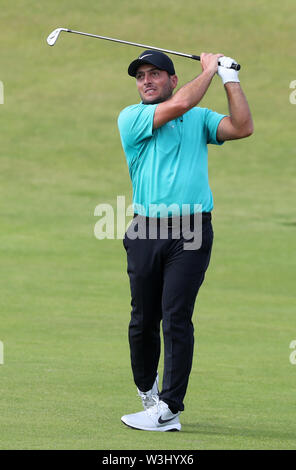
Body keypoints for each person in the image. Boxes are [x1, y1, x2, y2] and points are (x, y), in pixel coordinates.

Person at [117, 50, 253, 432]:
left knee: (176, 315)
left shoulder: (198, 119)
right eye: (141, 75)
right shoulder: (132, 117)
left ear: (173, 79)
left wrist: (229, 78)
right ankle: (148, 391)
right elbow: (181, 103)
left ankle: (168, 408)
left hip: (191, 230)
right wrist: (209, 68)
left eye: (155, 74)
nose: (146, 80)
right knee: (143, 318)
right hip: (146, 230)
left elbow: (242, 127)